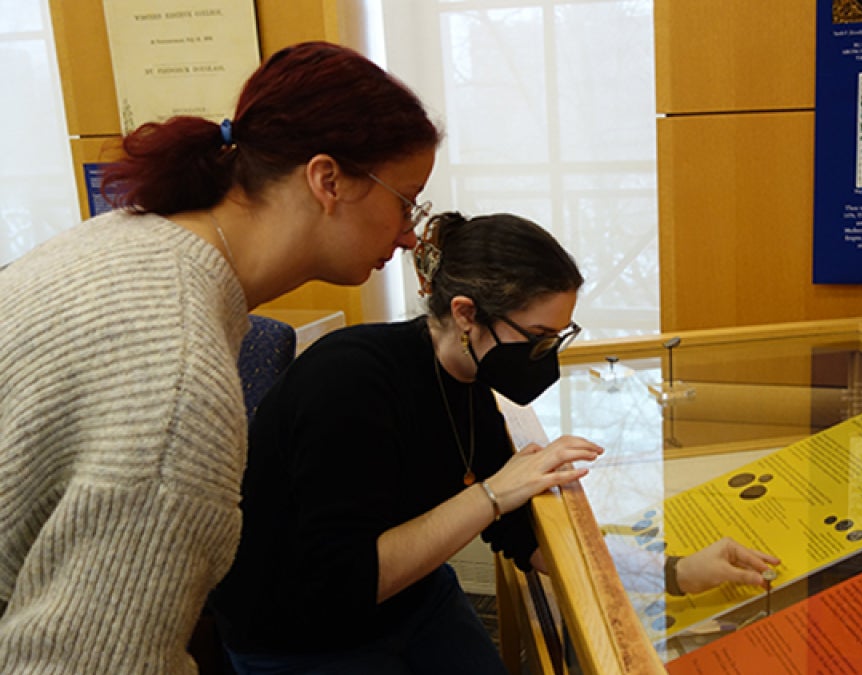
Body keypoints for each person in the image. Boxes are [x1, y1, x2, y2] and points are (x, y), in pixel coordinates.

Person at [0, 41, 439, 673]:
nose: (410, 235)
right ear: (327, 180)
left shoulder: (128, 236)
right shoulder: (180, 389)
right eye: (406, 200)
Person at [208, 212, 603, 673]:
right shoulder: (349, 382)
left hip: (411, 594)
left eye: (557, 337)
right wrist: (494, 494)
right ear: (466, 314)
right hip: (301, 629)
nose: (544, 354)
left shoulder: (469, 377)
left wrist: (640, 571)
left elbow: (515, 529)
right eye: (537, 337)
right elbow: (347, 579)